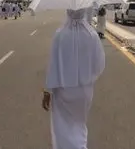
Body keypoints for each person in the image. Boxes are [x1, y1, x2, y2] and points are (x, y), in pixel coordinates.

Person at [42, 8, 105, 149]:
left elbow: (53, 65)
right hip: (85, 92)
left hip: (64, 91)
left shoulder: (60, 35)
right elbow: (100, 65)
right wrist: (88, 78)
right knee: (80, 125)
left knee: (63, 128)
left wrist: (47, 91)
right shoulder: (92, 35)